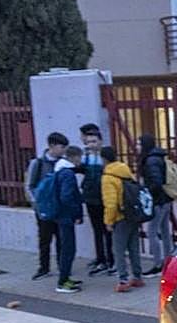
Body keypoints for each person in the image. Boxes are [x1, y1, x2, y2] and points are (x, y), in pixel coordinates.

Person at [100, 146, 145, 293]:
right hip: (133, 215)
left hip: (120, 217)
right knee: (134, 247)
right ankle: (137, 277)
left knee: (118, 250)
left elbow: (111, 203)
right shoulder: (125, 171)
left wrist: (108, 221)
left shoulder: (108, 177)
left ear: (104, 159)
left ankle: (123, 280)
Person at [26, 132, 66, 279]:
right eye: (61, 147)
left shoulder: (62, 163)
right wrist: (37, 205)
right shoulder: (37, 163)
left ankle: (63, 266)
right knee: (45, 239)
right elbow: (29, 186)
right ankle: (44, 267)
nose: (63, 151)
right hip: (43, 209)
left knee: (61, 238)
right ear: (52, 146)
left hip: (59, 208)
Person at [78, 123, 113, 276]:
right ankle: (100, 259)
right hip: (91, 199)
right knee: (97, 230)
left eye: (94, 141)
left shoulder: (105, 157)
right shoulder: (86, 157)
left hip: (105, 199)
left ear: (100, 141)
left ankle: (111, 260)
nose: (91, 144)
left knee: (108, 230)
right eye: (88, 142)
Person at [51, 146, 85, 293]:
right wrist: (75, 213)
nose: (80, 161)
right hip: (66, 217)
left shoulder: (59, 170)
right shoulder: (67, 174)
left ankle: (65, 278)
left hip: (61, 215)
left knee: (67, 248)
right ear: (75, 157)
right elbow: (67, 197)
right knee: (68, 249)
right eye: (80, 158)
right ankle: (63, 282)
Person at [139, 133, 172, 275]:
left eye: (139, 143)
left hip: (157, 201)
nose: (137, 146)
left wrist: (146, 192)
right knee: (165, 231)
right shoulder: (158, 157)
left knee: (152, 232)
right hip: (165, 199)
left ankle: (158, 264)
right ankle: (169, 261)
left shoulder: (150, 160)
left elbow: (156, 182)